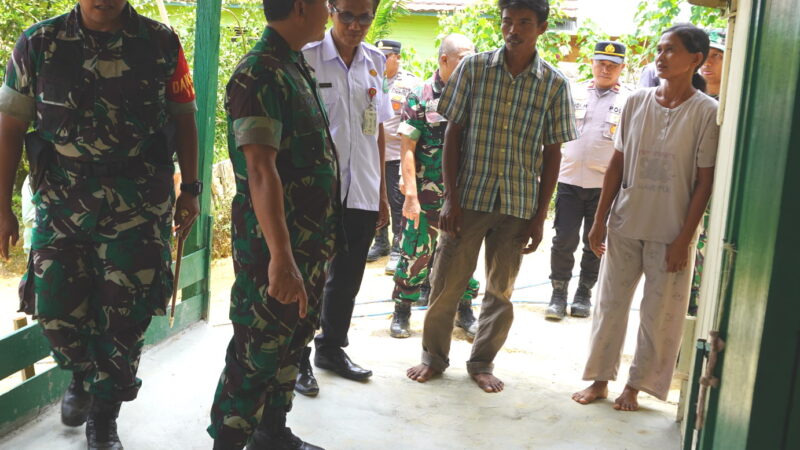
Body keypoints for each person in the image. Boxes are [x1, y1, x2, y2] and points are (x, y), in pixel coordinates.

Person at [0, 1, 200, 448]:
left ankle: (104, 417)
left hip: (139, 203)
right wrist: (3, 206)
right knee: (53, 308)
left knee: (124, 316)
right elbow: (10, 123)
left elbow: (184, 117)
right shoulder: (38, 43)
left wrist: (191, 187)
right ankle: (81, 373)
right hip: (62, 202)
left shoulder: (160, 42)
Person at [407, 0, 578, 393]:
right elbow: (453, 133)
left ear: (542, 28)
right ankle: (433, 357)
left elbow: (553, 153)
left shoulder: (553, 83)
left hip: (518, 204)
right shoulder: (473, 67)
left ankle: (482, 362)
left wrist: (539, 216)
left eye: (523, 23)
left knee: (501, 290)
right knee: (447, 281)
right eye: (507, 22)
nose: (513, 30)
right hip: (468, 199)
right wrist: (450, 198)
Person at [205, 0, 336, 448]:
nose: (330, 10)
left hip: (306, 243)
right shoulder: (258, 73)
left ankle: (272, 433)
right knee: (257, 349)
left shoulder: (290, 63)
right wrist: (281, 257)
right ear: (300, 6)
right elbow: (260, 169)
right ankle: (228, 440)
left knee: (292, 338)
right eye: (325, 3)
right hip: (273, 247)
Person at [572, 24, 718, 411]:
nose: (661, 56)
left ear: (695, 60)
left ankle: (636, 387)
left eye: (671, 50)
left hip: (671, 232)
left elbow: (705, 182)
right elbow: (616, 165)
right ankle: (600, 380)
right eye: (659, 49)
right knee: (609, 305)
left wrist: (684, 240)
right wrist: (600, 219)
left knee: (661, 315)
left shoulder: (707, 112)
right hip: (625, 223)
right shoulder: (637, 102)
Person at [296, 0, 393, 397]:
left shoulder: (374, 61)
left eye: (364, 17)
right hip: (318, 192)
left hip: (363, 189)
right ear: (332, 10)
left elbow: (378, 129)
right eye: (347, 15)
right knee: (310, 277)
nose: (355, 25)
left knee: (348, 277)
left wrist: (384, 194)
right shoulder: (308, 57)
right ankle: (297, 359)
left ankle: (331, 350)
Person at [389, 34, 480, 339]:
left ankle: (464, 310)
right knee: (414, 252)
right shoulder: (420, 95)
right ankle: (402, 310)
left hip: (463, 195)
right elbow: (407, 148)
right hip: (427, 195)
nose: (471, 65)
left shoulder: (475, 95)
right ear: (444, 60)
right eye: (464, 59)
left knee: (463, 254)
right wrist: (411, 195)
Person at [546, 41, 632, 320]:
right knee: (563, 240)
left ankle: (584, 292)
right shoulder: (573, 93)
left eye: (612, 65)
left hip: (604, 188)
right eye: (601, 63)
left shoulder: (628, 101)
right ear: (592, 63)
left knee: (595, 242)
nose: (605, 69)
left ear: (622, 68)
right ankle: (558, 293)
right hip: (569, 180)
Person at [366, 39, 420, 274]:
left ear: (397, 57)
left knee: (397, 202)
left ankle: (398, 248)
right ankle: (381, 242)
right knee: (375, 200)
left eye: (386, 56)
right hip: (372, 152)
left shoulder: (410, 83)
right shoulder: (370, 78)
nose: (381, 60)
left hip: (397, 154)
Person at [688, 28, 725, 316]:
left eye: (718, 56)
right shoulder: (693, 97)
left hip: (719, 198)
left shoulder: (732, 103)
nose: (708, 64)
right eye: (706, 56)